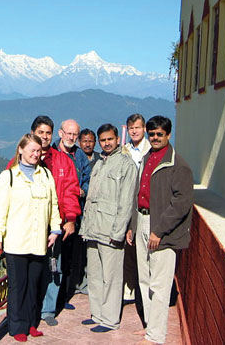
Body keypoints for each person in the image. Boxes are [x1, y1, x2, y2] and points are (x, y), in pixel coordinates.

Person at [7, 116, 81, 327]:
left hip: (54, 224)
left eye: (48, 132)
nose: (45, 136)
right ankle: (27, 311)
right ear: (32, 134)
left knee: (53, 266)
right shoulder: (19, 163)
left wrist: (71, 219)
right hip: (26, 226)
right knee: (30, 270)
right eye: (41, 132)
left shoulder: (62, 161)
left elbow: (70, 191)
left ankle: (47, 309)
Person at [126, 116, 193, 345]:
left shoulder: (177, 165)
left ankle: (156, 336)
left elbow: (182, 202)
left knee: (159, 284)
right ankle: (149, 327)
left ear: (168, 135)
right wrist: (134, 226)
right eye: (152, 134)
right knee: (144, 280)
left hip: (162, 230)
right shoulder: (147, 158)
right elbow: (139, 193)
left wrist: (159, 230)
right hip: (143, 222)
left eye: (159, 134)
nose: (155, 137)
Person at [0, 133, 62, 342]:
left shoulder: (45, 176)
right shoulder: (9, 177)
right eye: (31, 150)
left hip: (38, 242)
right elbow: (0, 210)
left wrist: (55, 229)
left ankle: (31, 323)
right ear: (20, 150)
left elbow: (53, 206)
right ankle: (17, 326)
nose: (35, 154)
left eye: (38, 151)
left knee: (34, 284)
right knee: (17, 286)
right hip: (16, 242)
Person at [79, 124, 137, 332]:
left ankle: (110, 319)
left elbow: (127, 201)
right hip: (93, 229)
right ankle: (97, 314)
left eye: (110, 139)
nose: (106, 143)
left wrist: (118, 232)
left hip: (110, 231)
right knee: (94, 275)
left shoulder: (126, 165)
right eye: (103, 140)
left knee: (111, 277)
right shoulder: (99, 164)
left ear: (117, 139)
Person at [52, 119, 91, 300]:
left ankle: (66, 293)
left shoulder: (80, 155)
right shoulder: (51, 154)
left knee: (70, 256)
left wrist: (82, 190)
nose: (72, 137)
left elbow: (87, 179)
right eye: (69, 133)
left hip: (75, 213)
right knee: (54, 258)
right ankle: (54, 297)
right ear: (60, 133)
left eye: (75, 134)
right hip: (55, 215)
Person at [122, 114, 152, 302]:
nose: (134, 131)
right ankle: (129, 290)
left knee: (145, 253)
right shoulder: (123, 151)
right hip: (127, 205)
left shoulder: (151, 149)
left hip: (144, 207)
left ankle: (145, 293)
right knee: (128, 250)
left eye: (138, 128)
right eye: (131, 128)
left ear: (145, 129)